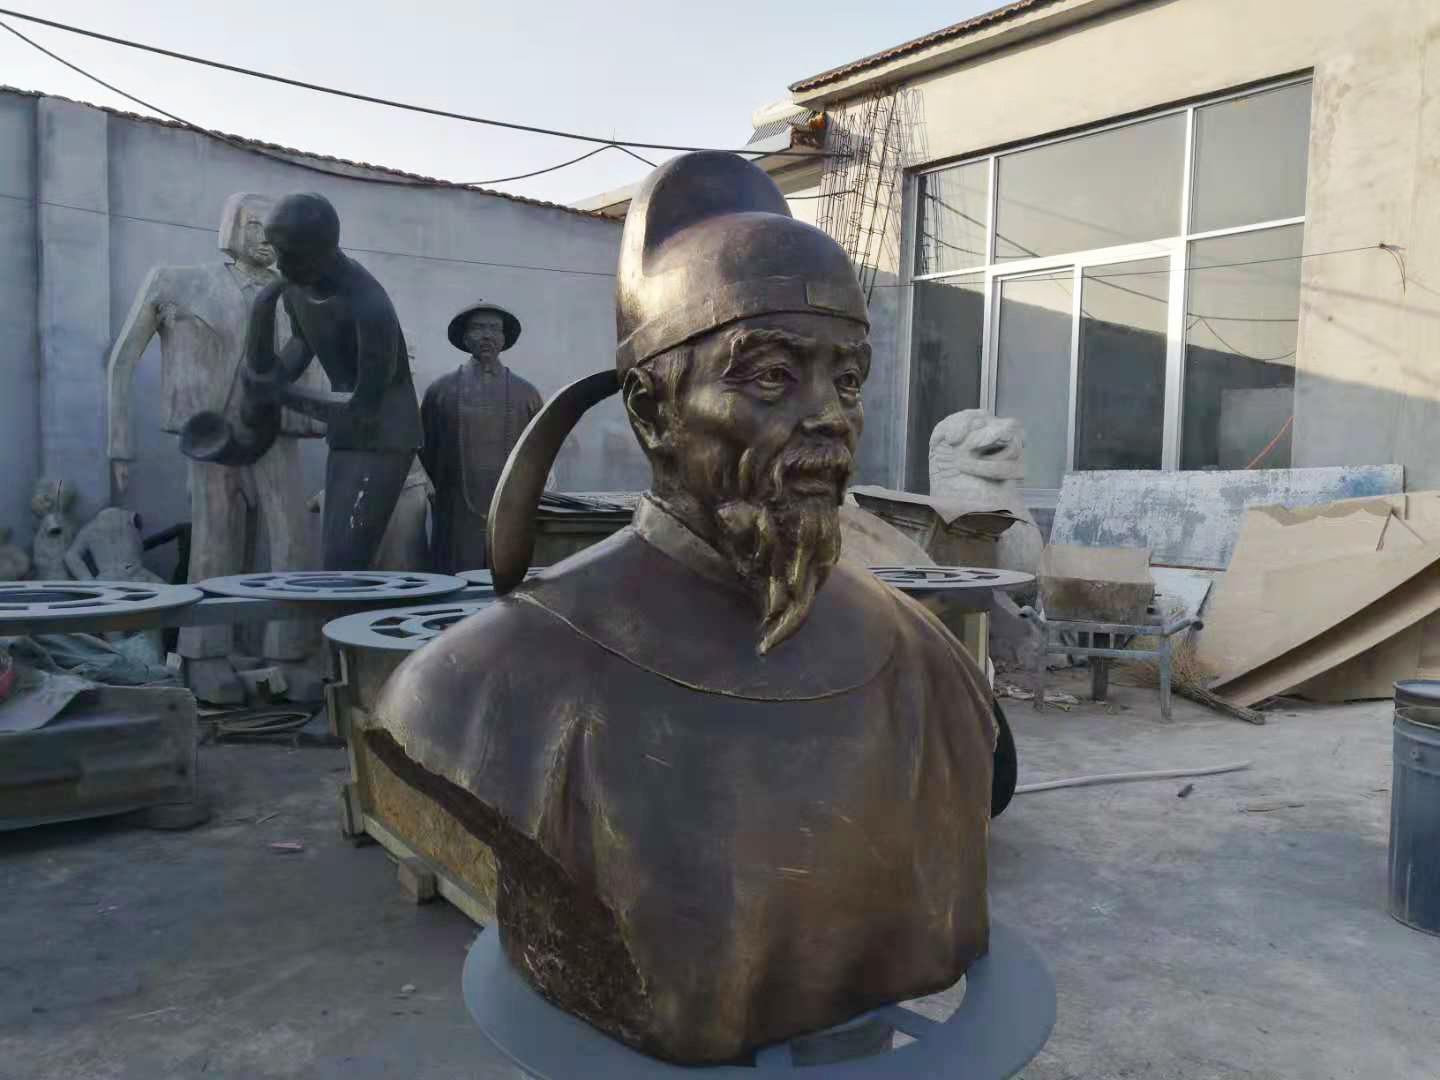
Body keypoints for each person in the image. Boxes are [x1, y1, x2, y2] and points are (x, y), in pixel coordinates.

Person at [371, 152, 996, 1065]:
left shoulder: (924, 657)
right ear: (652, 411)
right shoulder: (484, 684)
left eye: (848, 380)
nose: (829, 416)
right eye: (773, 378)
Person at [107, 193, 321, 702]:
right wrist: (120, 444)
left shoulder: (299, 293)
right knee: (214, 539)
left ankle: (289, 656)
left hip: (276, 428)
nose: (266, 239)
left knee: (292, 541)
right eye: (255, 226)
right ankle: (206, 657)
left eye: (275, 230)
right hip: (212, 432)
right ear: (230, 229)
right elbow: (123, 359)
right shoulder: (178, 281)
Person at [243, 193, 421, 570]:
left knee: (346, 559)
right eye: (279, 253)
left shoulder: (369, 303)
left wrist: (280, 394)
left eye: (290, 255)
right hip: (347, 433)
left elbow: (365, 404)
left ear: (320, 251)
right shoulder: (296, 287)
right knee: (336, 561)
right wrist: (263, 309)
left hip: (385, 434)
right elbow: (301, 343)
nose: (280, 264)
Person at [420, 300, 542, 572]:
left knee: (506, 581)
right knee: (454, 576)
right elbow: (426, 451)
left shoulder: (527, 395)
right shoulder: (440, 392)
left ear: (504, 338)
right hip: (455, 510)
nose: (487, 335)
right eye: (478, 328)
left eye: (494, 329)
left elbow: (538, 456)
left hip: (511, 509)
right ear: (465, 337)